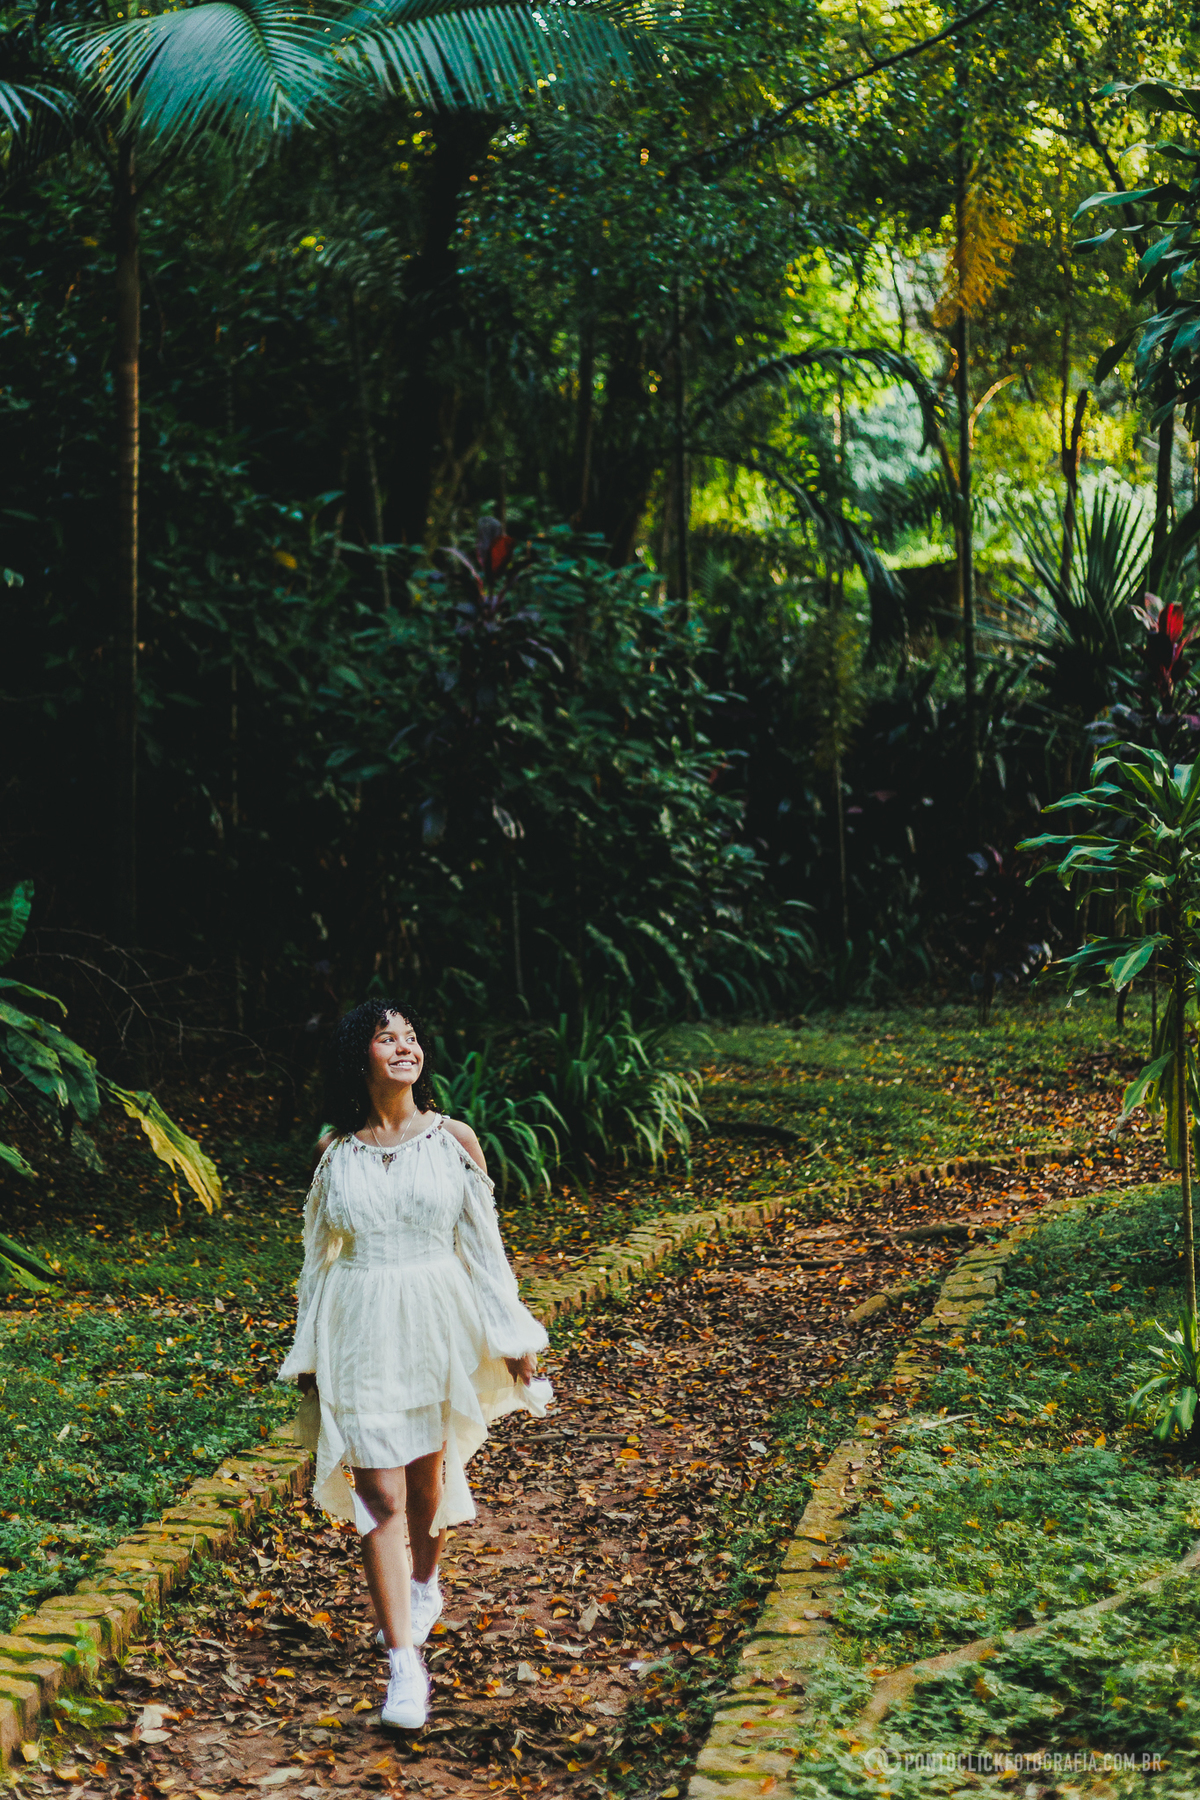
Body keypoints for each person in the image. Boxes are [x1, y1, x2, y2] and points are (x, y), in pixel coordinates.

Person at [278, 1000, 552, 1730]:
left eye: (412, 1036)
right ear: (358, 1057)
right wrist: (307, 1350)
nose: (404, 1046)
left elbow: (484, 1250)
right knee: (380, 1495)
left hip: (436, 1320)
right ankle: (405, 1667)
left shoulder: (453, 1140)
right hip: (360, 1327)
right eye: (385, 1035)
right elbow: (315, 1262)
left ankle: (425, 1582)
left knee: (427, 1488)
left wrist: (514, 1335)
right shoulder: (336, 1154)